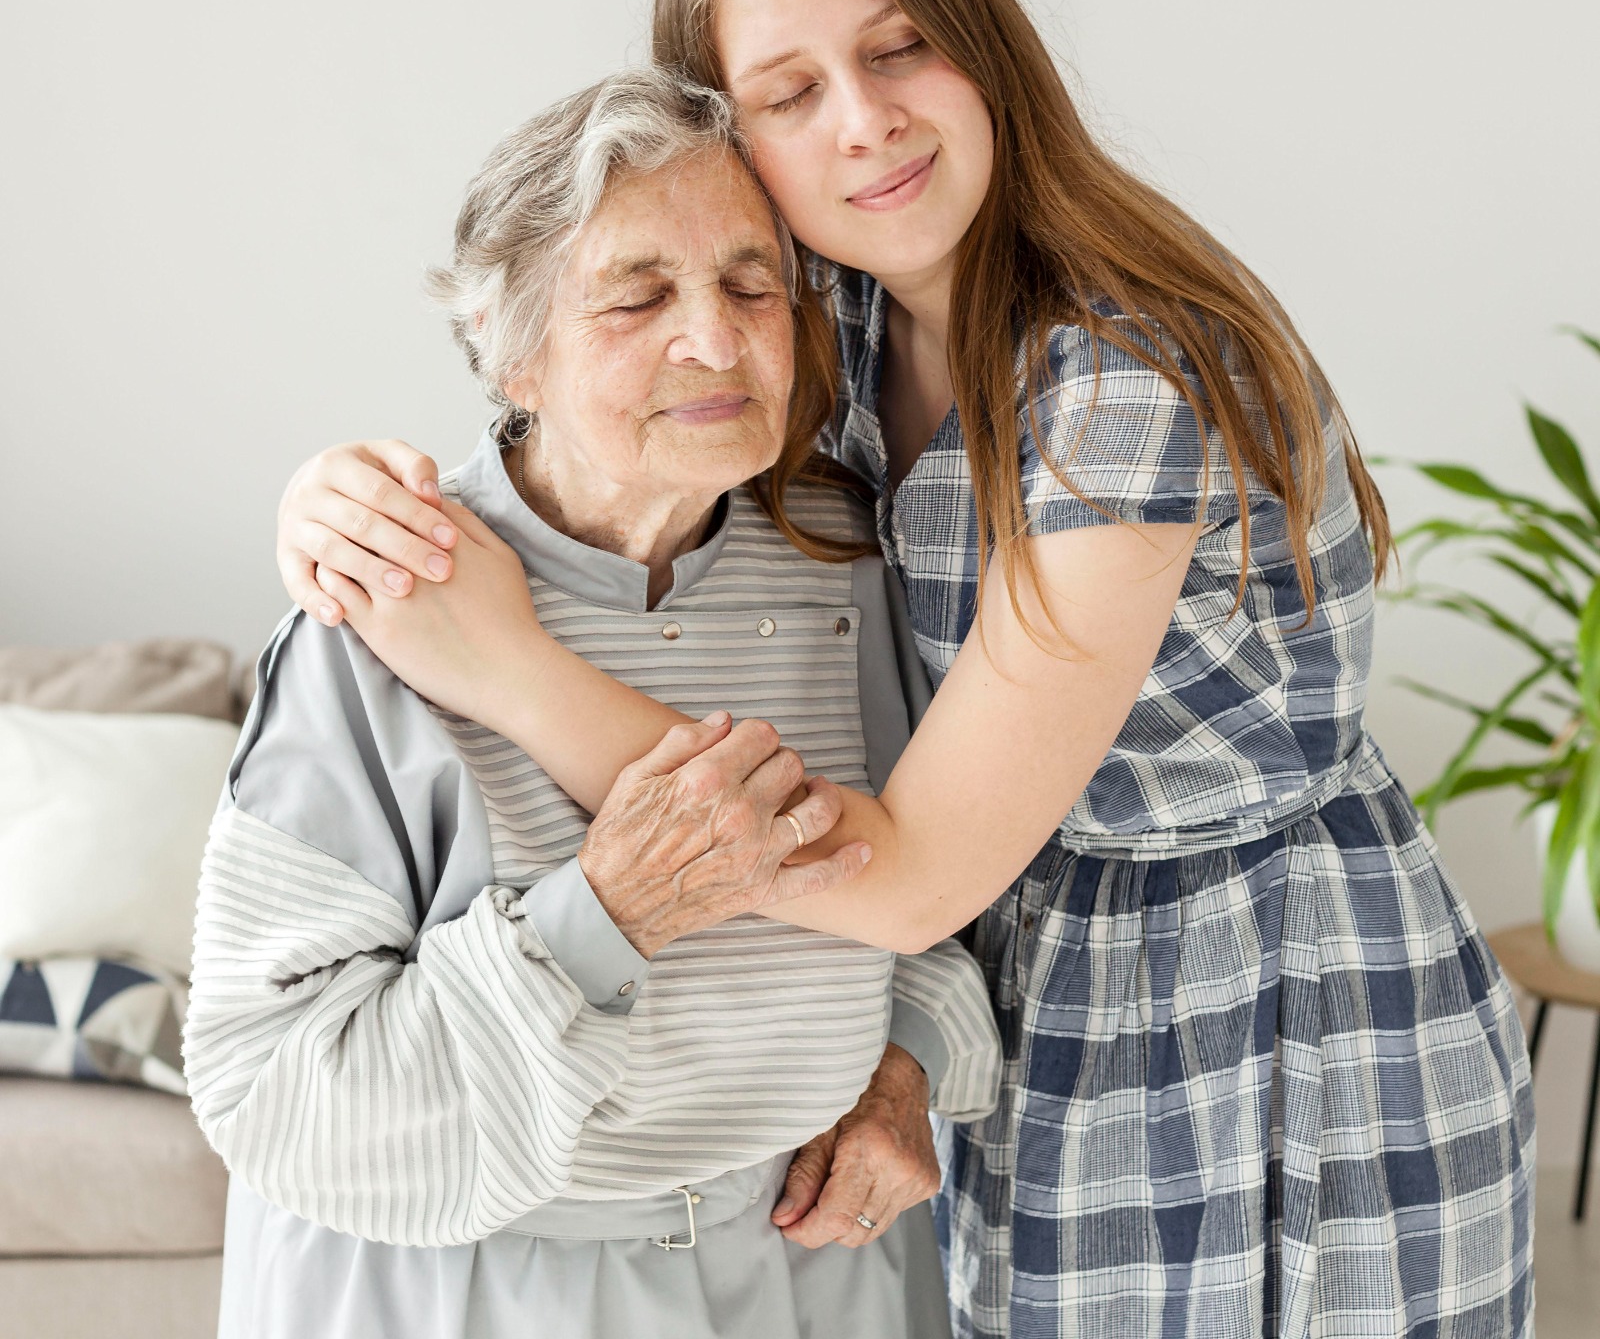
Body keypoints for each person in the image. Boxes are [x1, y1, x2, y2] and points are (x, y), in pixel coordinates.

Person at [272, 0, 1535, 1338]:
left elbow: (918, 867)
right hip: (1046, 988)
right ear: (733, 146)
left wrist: (501, 668)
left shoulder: (1121, 386)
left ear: (981, 44)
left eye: (900, 48)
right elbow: (581, 401)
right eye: (791, 95)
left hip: (1272, 1003)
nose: (865, 122)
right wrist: (339, 499)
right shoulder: (845, 343)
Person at [185, 67, 1002, 1339]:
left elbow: (937, 896)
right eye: (636, 295)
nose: (717, 341)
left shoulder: (852, 558)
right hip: (459, 1287)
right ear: (513, 354)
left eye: (749, 285)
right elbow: (273, 1094)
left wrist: (905, 1068)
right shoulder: (386, 597)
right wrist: (605, 915)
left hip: (797, 1269)